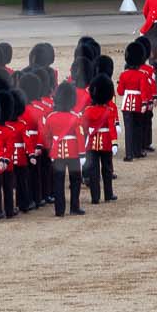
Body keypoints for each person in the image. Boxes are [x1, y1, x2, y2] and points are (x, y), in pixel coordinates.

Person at [41, 81, 86, 216]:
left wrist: (50, 149)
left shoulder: (51, 117)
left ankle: (59, 210)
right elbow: (80, 136)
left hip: (57, 153)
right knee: (75, 180)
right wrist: (82, 154)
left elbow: (46, 136)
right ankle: (74, 207)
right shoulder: (75, 117)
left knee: (58, 181)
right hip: (73, 153)